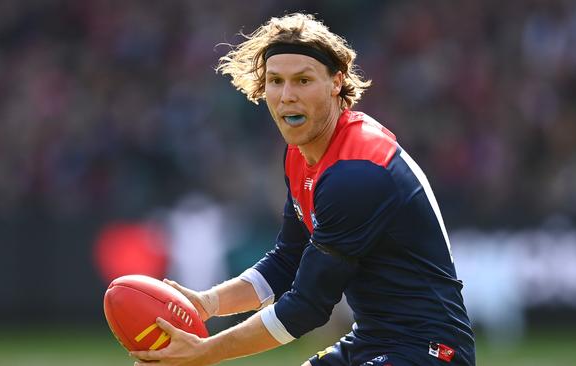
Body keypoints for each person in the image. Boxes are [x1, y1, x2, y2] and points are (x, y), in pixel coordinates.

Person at [131, 13, 475, 366]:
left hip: (430, 351)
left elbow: (306, 307)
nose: (287, 96)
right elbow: (287, 260)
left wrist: (206, 353)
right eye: (276, 81)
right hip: (374, 340)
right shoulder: (301, 154)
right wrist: (208, 303)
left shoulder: (355, 173)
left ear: (336, 82)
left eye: (303, 80)